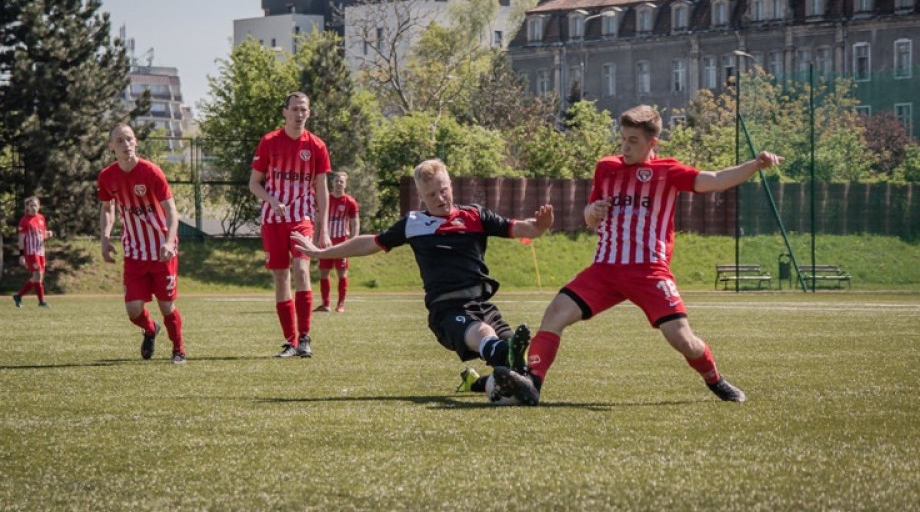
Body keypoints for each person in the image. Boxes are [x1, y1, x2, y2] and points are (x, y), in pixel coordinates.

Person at [520, 105, 784, 406]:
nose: (626, 146)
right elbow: (589, 218)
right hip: (605, 269)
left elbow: (717, 179)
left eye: (634, 140)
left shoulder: (668, 172)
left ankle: (716, 380)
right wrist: (592, 211)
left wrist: (755, 165)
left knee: (683, 339)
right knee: (554, 313)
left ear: (652, 143)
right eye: (623, 138)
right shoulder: (606, 167)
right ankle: (532, 385)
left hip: (649, 271)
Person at [293, 159, 552, 399]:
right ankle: (502, 359)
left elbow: (520, 227)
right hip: (447, 310)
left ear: (451, 186)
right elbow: (369, 243)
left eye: (443, 190)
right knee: (487, 336)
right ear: (421, 197)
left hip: (483, 305)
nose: (440, 198)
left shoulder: (476, 216)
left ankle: (481, 382)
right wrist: (323, 252)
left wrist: (538, 226)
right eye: (431, 195)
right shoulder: (413, 224)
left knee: (519, 367)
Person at [249, 91, 331, 358]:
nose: (299, 114)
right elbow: (254, 183)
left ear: (309, 113)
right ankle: (290, 341)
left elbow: (321, 189)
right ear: (284, 112)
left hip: (302, 217)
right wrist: (271, 200)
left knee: (302, 269)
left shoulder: (316, 145)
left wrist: (324, 230)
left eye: (303, 110)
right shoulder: (269, 141)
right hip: (273, 220)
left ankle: (305, 338)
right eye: (294, 109)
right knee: (282, 277)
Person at [98, 123, 186, 365]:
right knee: (133, 310)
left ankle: (178, 350)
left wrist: (169, 242)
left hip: (161, 250)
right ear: (111, 147)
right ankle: (150, 329)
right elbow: (108, 210)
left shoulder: (151, 172)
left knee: (167, 305)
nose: (126, 145)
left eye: (129, 139)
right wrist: (105, 239)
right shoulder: (107, 176)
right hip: (135, 252)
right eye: (119, 141)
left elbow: (171, 211)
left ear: (135, 142)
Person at [314, 171, 359, 313]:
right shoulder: (325, 199)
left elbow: (355, 222)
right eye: (337, 181)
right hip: (326, 242)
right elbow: (318, 221)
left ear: (345, 184)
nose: (339, 183)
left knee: (341, 273)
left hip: (342, 242)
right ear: (332, 183)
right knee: (323, 273)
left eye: (341, 181)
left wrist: (354, 239)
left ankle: (341, 304)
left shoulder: (350, 202)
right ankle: (325, 304)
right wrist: (315, 238)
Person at [12, 195, 54, 308]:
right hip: (31, 252)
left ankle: (19, 295)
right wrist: (21, 254)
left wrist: (48, 234)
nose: (34, 207)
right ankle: (41, 302)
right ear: (27, 207)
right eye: (31, 206)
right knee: (38, 274)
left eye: (35, 205)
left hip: (41, 251)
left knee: (38, 277)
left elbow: (42, 235)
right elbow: (21, 238)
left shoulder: (41, 218)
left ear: (39, 206)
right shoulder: (24, 220)